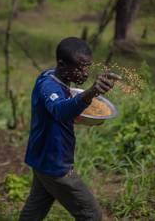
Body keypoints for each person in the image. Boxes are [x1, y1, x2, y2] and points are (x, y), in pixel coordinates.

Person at [19, 37, 121, 221]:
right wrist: (91, 92)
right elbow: (59, 110)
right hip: (54, 163)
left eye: (88, 67)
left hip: (41, 158)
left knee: (34, 212)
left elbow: (58, 113)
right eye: (80, 67)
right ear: (62, 64)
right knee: (91, 215)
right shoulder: (48, 86)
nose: (85, 73)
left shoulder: (52, 76)